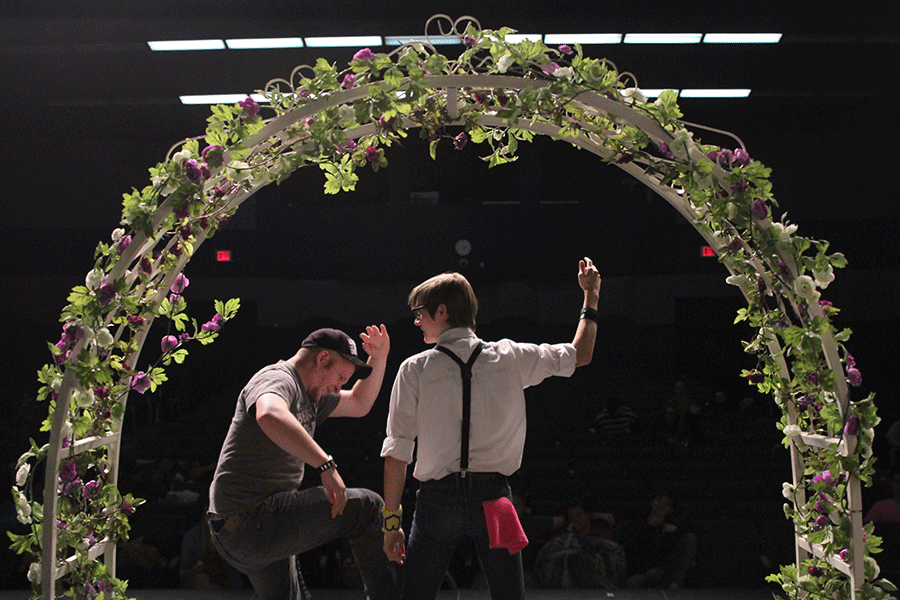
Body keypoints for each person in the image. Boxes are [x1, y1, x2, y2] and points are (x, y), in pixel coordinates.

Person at [381, 258, 602, 600]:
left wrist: (391, 525)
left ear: (442, 312)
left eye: (420, 312)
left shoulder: (414, 370)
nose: (416, 320)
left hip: (438, 502)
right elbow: (581, 354)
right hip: (495, 497)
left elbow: (397, 452)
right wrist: (591, 296)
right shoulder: (510, 356)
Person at [208, 326, 399, 600]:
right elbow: (269, 413)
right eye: (340, 377)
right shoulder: (278, 378)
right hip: (251, 519)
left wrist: (379, 357)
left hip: (244, 527)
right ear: (322, 359)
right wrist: (325, 465)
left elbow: (359, 403)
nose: (339, 387)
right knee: (368, 508)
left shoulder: (313, 396)